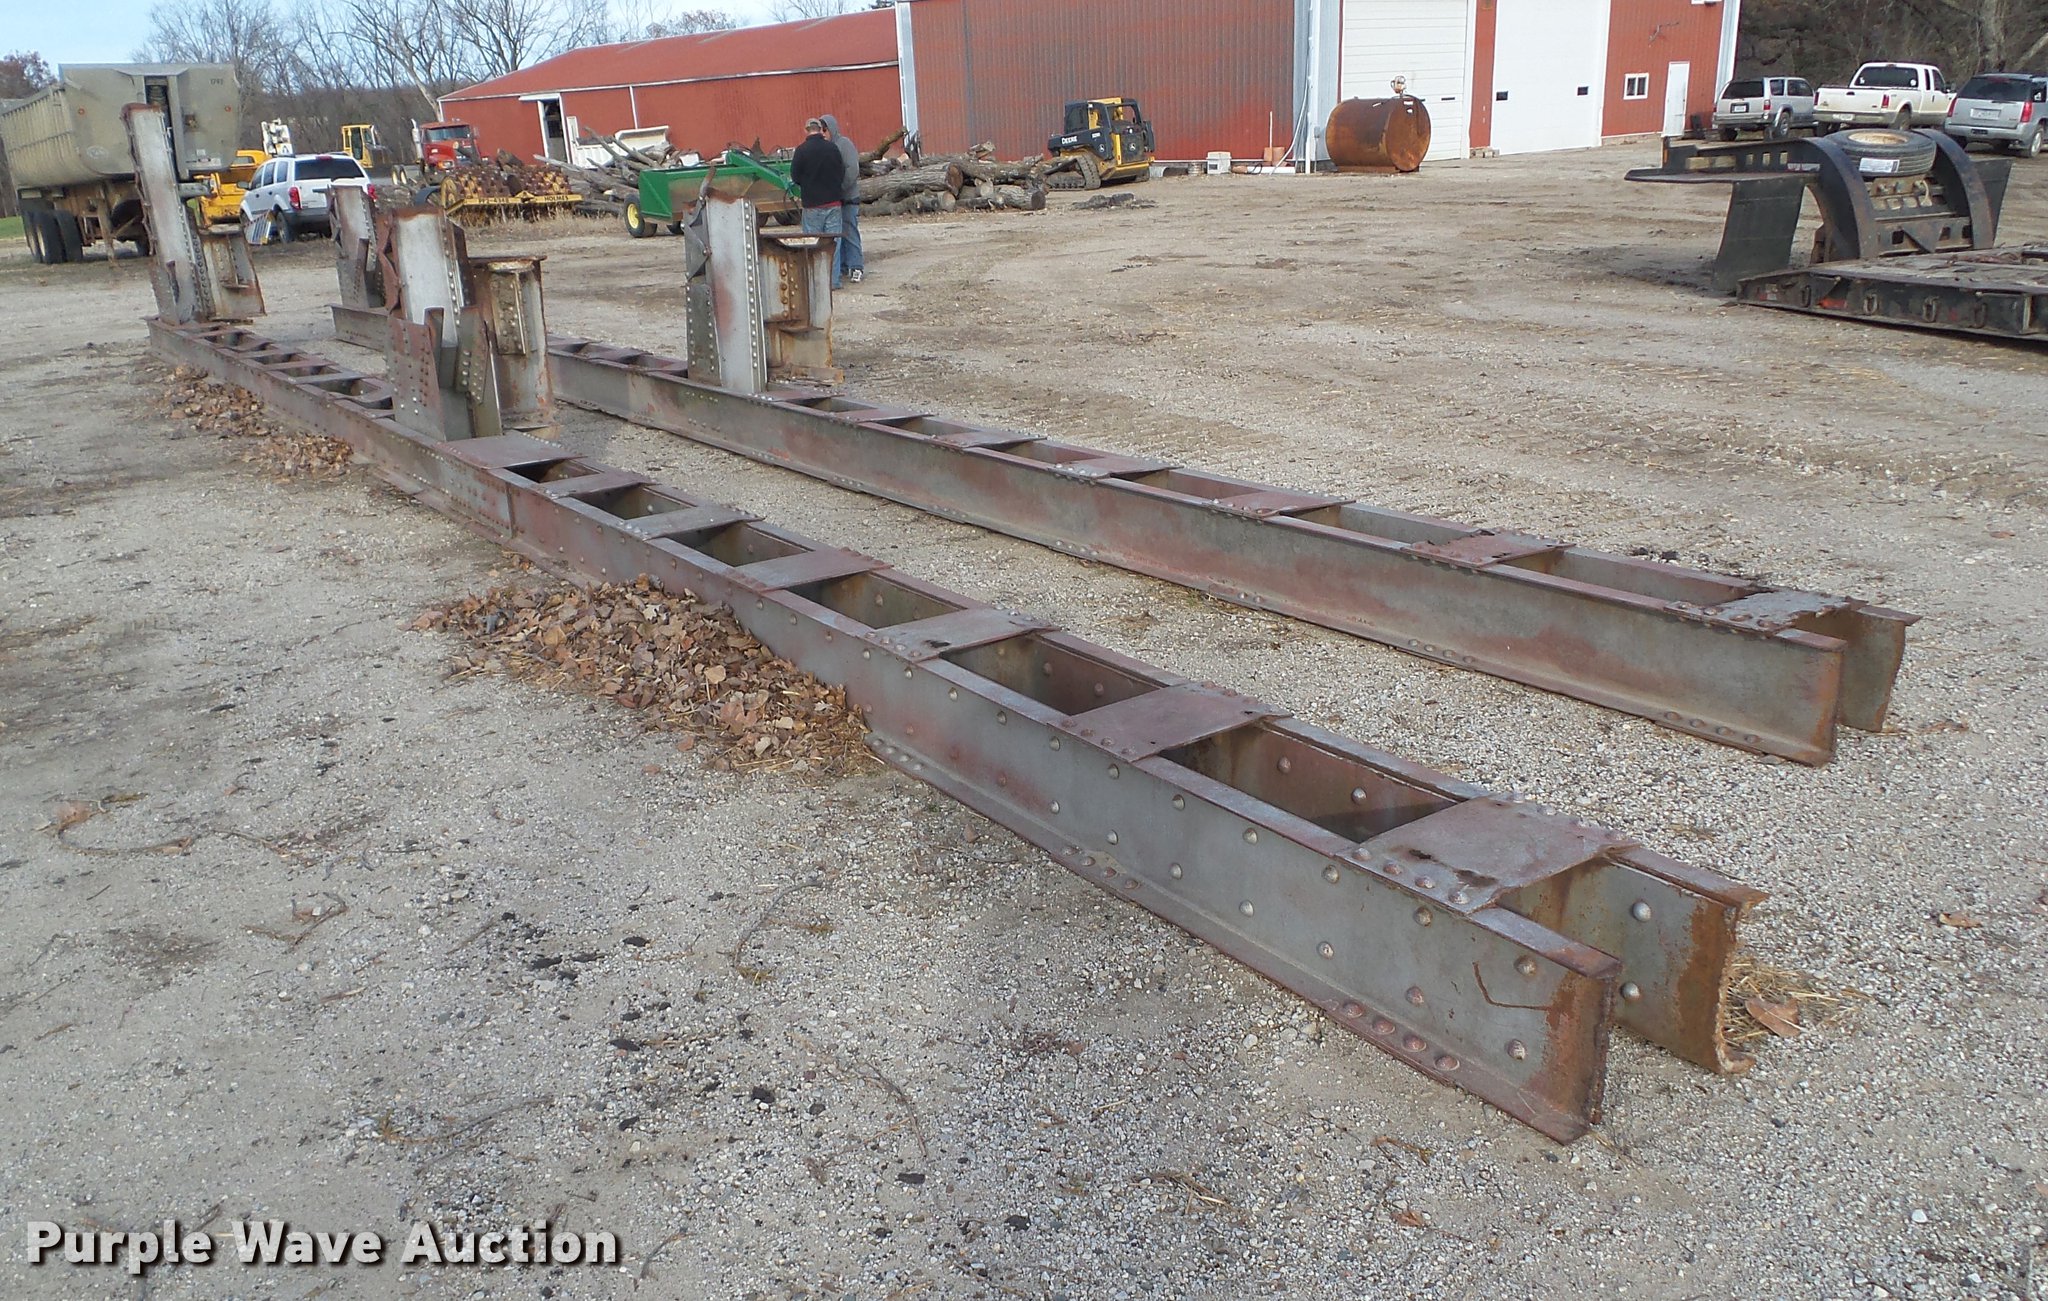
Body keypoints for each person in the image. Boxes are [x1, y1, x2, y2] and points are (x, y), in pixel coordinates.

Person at [789, 117, 846, 289]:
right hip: (833, 203)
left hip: (812, 204)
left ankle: (815, 283)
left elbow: (795, 177)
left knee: (812, 244)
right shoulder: (833, 148)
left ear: (806, 130)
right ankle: (833, 281)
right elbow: (841, 172)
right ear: (821, 129)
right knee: (833, 243)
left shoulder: (801, 151)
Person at [821, 114, 864, 285]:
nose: (823, 133)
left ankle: (856, 266)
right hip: (834, 199)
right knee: (839, 234)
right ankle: (844, 266)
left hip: (847, 197)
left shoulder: (844, 144)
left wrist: (840, 188)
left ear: (831, 129)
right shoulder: (826, 148)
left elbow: (852, 169)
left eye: (825, 130)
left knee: (850, 232)